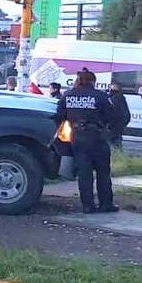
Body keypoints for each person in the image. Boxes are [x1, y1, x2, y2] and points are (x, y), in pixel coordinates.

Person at [55, 68, 118, 214]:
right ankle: (106, 204)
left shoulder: (68, 95)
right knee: (103, 172)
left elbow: (59, 116)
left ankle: (87, 206)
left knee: (84, 174)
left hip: (77, 137)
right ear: (93, 81)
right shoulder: (100, 96)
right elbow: (111, 116)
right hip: (97, 137)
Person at [107, 81, 131, 148]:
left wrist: (108, 125)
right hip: (117, 127)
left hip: (112, 127)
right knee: (117, 145)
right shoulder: (121, 98)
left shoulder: (112, 99)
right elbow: (127, 115)